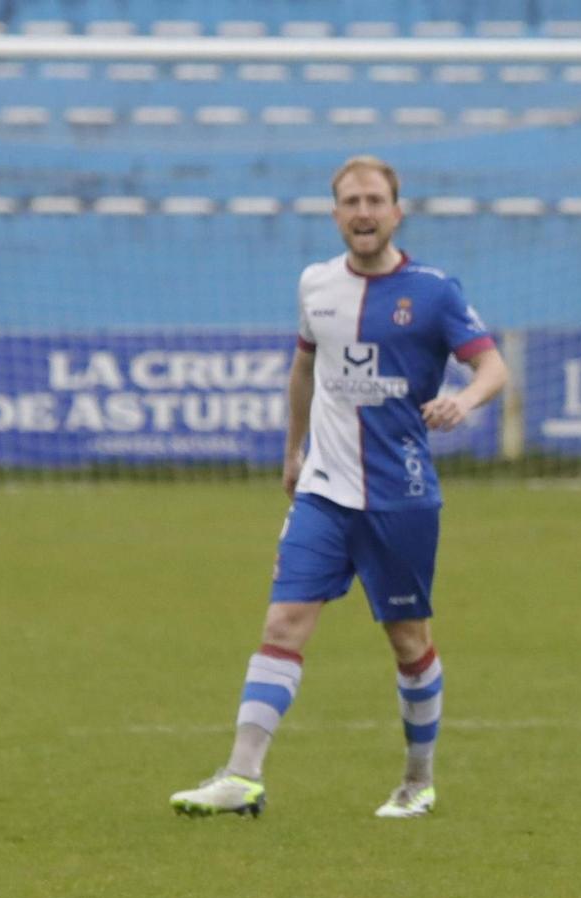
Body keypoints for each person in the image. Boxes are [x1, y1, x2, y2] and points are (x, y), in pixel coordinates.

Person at [169, 155, 507, 820]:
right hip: (323, 491)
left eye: (375, 200)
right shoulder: (315, 285)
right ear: (335, 214)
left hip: (401, 497)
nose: (363, 211)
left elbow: (491, 364)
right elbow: (303, 369)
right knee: (284, 621)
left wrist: (466, 401)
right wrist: (292, 450)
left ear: (396, 211)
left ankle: (417, 780)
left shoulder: (435, 292)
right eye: (351, 201)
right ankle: (242, 775)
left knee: (409, 642)